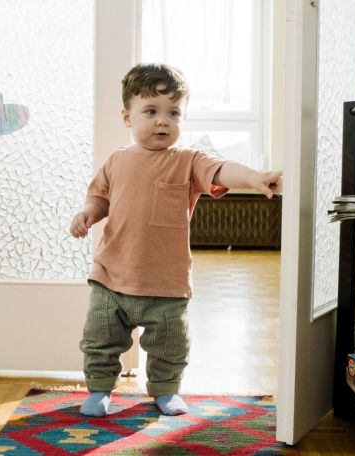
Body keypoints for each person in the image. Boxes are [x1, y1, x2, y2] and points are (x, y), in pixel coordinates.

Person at [69, 63, 283, 417]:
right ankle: (100, 389)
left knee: (170, 343)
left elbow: (221, 169)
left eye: (173, 113)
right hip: (111, 276)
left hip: (166, 281)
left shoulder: (188, 161)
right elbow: (100, 197)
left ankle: (166, 390)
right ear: (128, 117)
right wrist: (88, 213)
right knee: (100, 340)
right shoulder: (117, 161)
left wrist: (256, 177)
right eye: (150, 111)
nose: (163, 121)